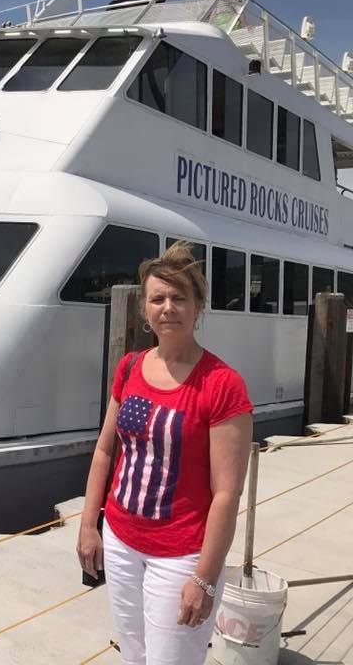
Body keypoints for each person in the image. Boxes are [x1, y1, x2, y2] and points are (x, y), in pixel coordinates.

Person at [76, 242, 253, 664]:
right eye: (157, 299)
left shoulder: (222, 385)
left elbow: (226, 494)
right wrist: (88, 525)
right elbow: (105, 451)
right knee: (133, 655)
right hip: (120, 540)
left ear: (198, 307)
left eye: (179, 298)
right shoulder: (129, 368)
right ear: (144, 308)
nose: (168, 308)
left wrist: (205, 579)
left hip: (181, 555)